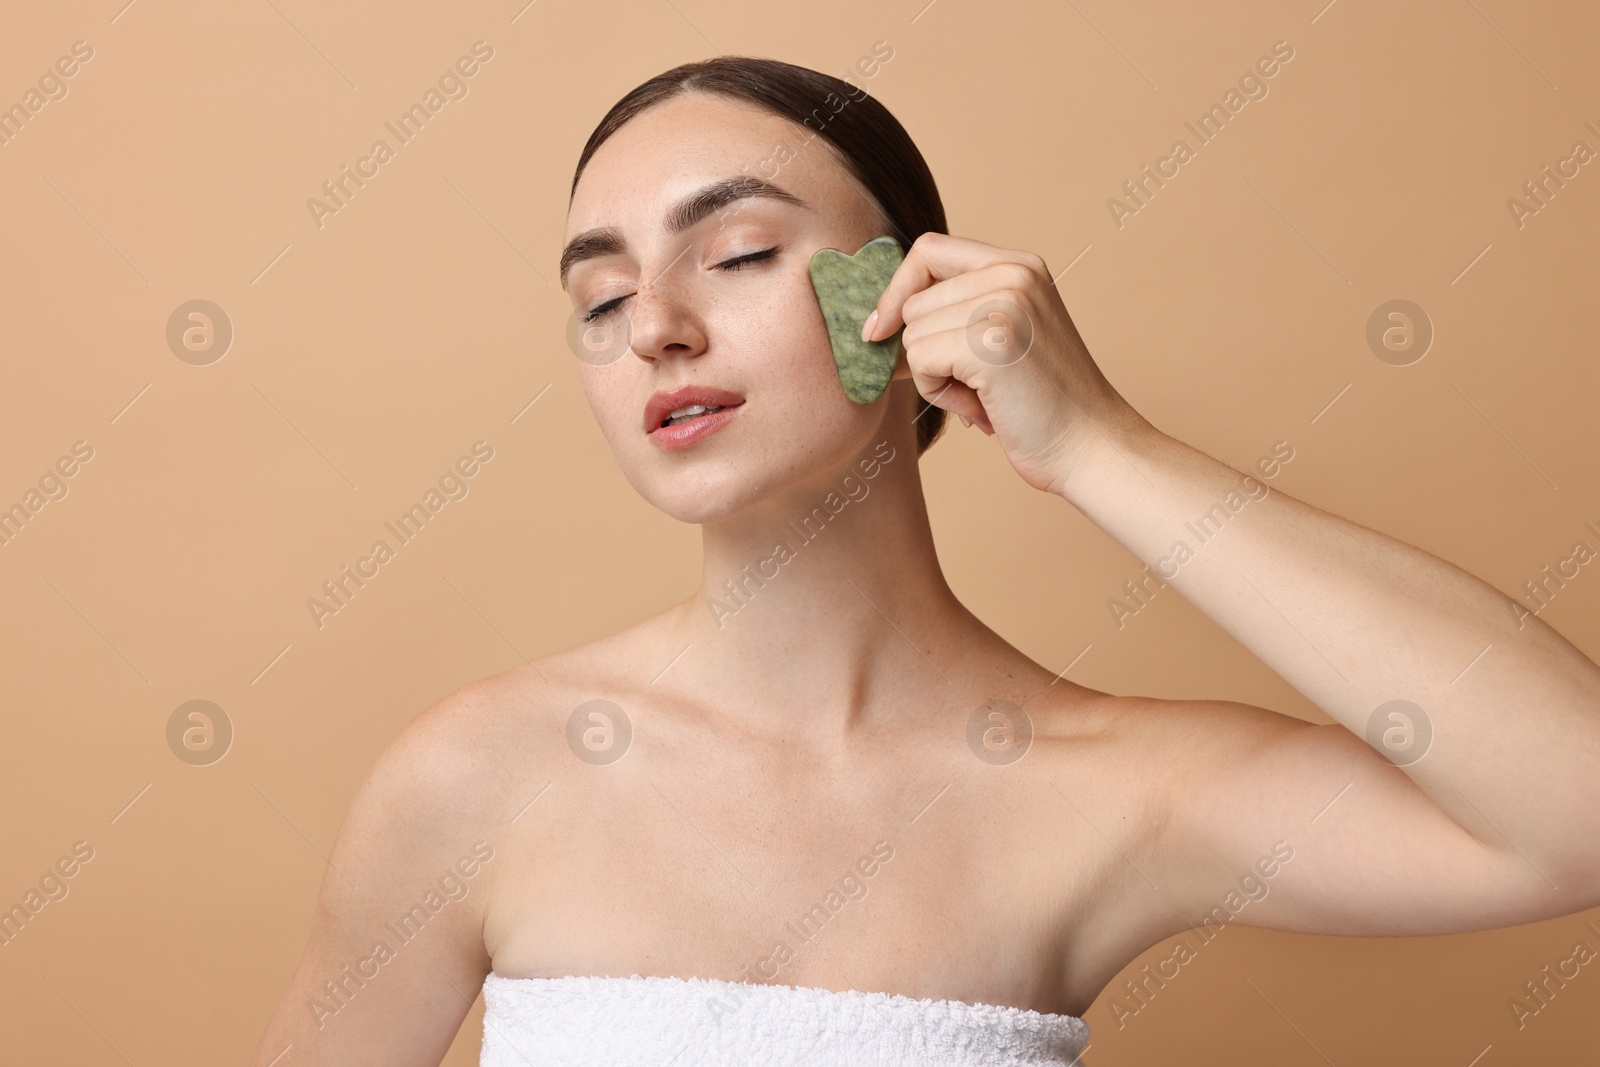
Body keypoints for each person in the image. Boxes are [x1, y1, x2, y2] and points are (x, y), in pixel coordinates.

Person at [250, 56, 1600, 1066]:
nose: (652, 323)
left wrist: (1100, 447)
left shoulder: (1111, 790)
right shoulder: (480, 777)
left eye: (736, 253)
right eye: (600, 299)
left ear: (909, 299)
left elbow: (1574, 811)